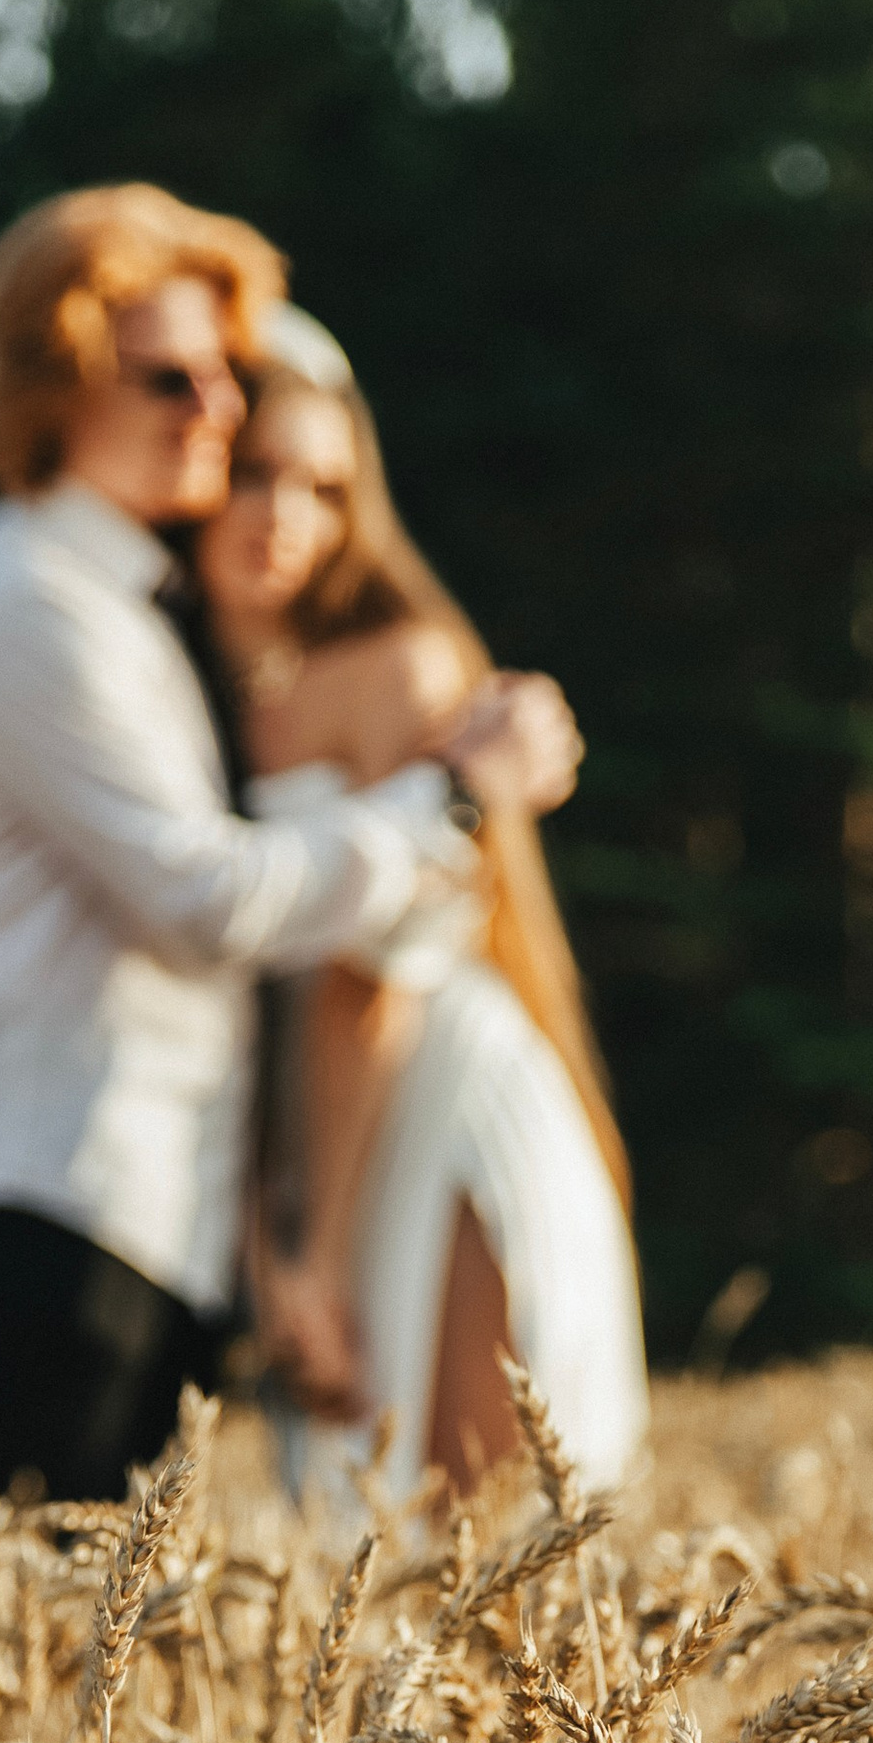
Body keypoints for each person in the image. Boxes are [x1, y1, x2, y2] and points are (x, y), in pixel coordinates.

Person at [0, 185, 581, 1505]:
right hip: (54, 1209)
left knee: (95, 1655)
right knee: (54, 1641)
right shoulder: (34, 610)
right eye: (166, 380)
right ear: (54, 382)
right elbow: (203, 902)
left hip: (129, 1216)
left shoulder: (121, 603)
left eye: (218, 377)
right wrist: (459, 802)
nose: (213, 408)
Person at [195, 319, 648, 1506]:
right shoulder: (191, 691)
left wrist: (312, 1258)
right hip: (318, 1128)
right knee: (377, 1570)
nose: (284, 513)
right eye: (255, 472)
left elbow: (365, 982)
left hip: (436, 1111)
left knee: (480, 1535)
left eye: (325, 486)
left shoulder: (400, 666)